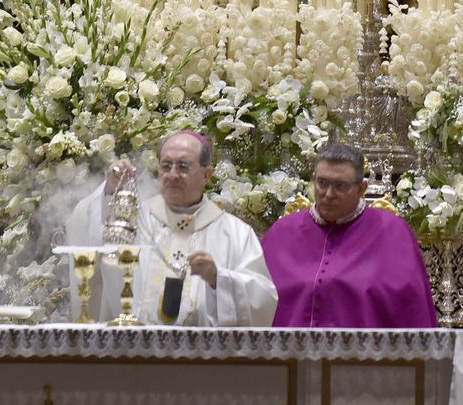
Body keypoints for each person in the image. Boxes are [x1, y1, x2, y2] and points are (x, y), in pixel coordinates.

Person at [65, 130, 277, 326]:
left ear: (207, 174)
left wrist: (217, 279)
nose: (173, 175)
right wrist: (110, 191)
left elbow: (263, 298)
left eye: (183, 166)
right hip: (134, 355)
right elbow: (88, 231)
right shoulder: (134, 219)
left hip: (204, 359)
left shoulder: (234, 233)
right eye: (166, 166)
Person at [261, 142, 436, 328]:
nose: (328, 194)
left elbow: (414, 313)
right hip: (289, 354)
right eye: (322, 183)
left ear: (361, 189)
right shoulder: (281, 233)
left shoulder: (393, 233)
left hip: (365, 355)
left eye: (340, 186)